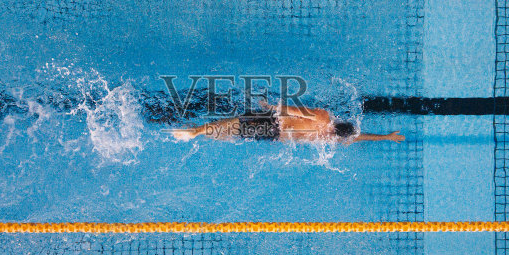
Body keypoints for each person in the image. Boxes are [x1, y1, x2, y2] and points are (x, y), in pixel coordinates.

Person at [172, 100, 404, 144]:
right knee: (234, 133)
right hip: (275, 135)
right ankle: (201, 134)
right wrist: (386, 137)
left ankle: (196, 131)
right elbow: (357, 137)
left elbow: (296, 110)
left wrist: (272, 107)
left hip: (276, 122)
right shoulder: (329, 137)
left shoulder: (324, 117)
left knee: (235, 122)